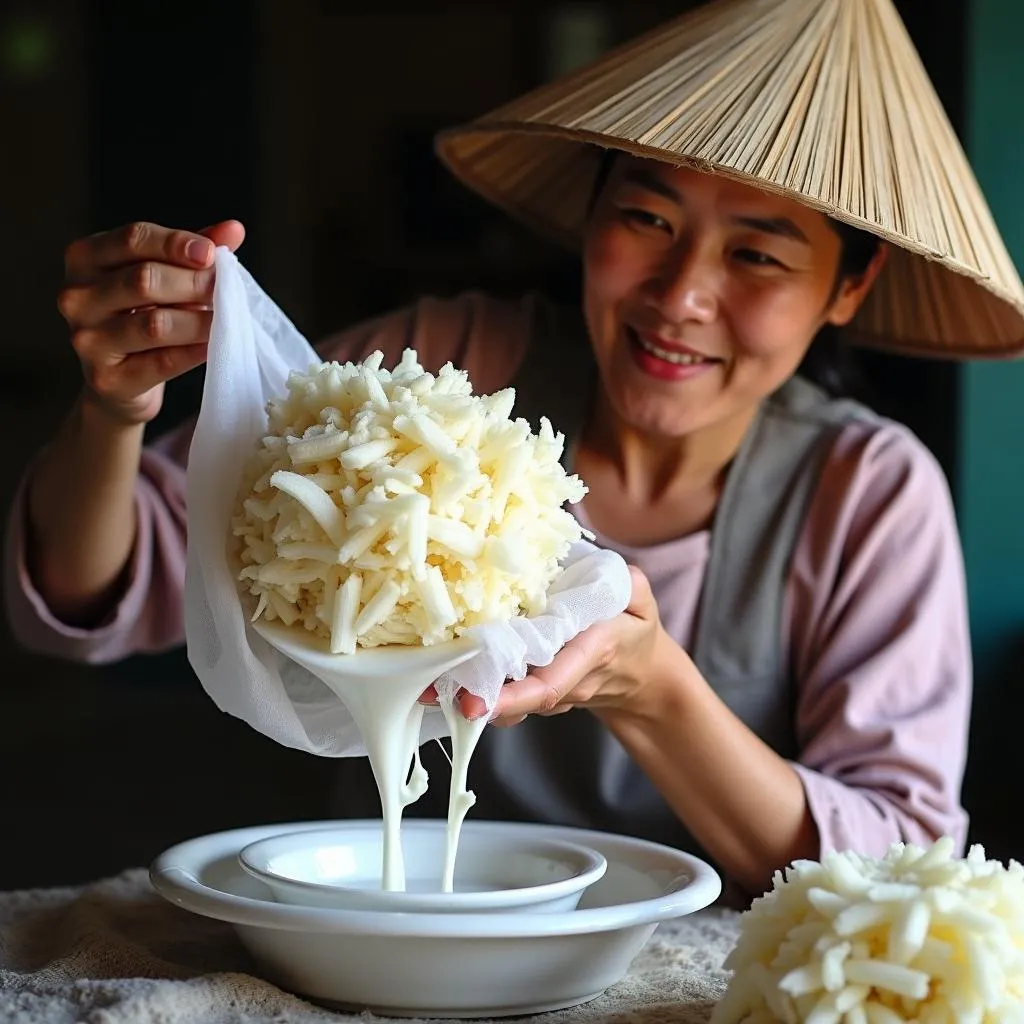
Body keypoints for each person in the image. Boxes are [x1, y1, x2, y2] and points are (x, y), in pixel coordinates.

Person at [6, 0, 1024, 906]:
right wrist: (113, 410)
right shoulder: (432, 375)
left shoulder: (868, 493)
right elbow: (102, 593)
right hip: (381, 930)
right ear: (589, 212)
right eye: (644, 216)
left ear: (847, 287)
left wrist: (654, 689)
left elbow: (901, 868)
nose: (680, 296)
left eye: (757, 253)